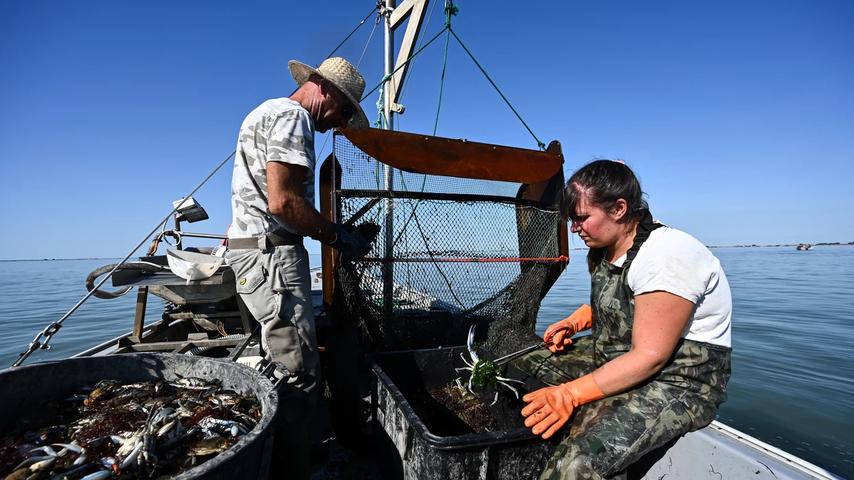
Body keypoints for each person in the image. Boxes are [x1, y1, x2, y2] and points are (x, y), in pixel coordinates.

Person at [515, 160, 732, 479]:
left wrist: (570, 394)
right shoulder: (605, 249)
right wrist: (573, 323)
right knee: (519, 355)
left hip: (678, 379)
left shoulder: (666, 256)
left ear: (619, 208)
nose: (575, 229)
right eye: (572, 220)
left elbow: (650, 357)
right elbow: (620, 305)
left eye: (582, 218)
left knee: (578, 464)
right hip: (615, 354)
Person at [225, 56, 375, 479]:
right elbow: (284, 202)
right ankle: (295, 468)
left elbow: (254, 197)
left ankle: (284, 455)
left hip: (252, 253)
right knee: (299, 371)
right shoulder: (294, 118)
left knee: (282, 360)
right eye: (345, 110)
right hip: (274, 258)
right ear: (323, 88)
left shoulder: (264, 111)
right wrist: (339, 236)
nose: (341, 121)